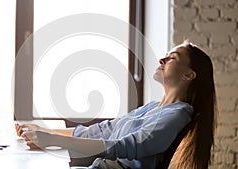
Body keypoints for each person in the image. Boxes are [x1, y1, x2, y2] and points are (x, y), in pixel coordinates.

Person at [15, 41, 217, 169]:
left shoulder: (178, 115)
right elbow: (106, 130)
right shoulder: (154, 107)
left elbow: (123, 146)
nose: (162, 59)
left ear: (189, 75)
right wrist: (45, 131)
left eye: (172, 58)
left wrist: (53, 140)